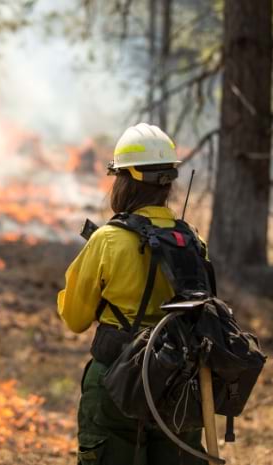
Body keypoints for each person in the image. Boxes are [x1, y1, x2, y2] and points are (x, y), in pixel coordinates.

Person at [58, 124, 209, 465]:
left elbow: (75, 318)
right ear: (168, 184)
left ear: (124, 181)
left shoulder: (108, 240)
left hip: (117, 380)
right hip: (179, 385)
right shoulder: (193, 242)